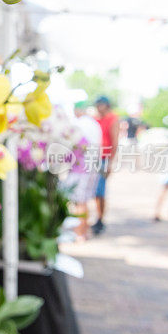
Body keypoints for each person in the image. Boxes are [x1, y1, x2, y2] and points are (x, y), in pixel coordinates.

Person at [64, 101, 102, 240]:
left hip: (80, 168)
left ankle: (79, 234)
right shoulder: (94, 124)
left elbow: (75, 145)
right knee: (85, 201)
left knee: (79, 202)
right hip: (92, 166)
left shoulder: (79, 124)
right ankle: (83, 231)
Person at [91, 96, 118, 234]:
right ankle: (98, 217)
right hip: (94, 157)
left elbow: (114, 141)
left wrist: (110, 162)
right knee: (95, 191)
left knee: (100, 190)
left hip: (104, 158)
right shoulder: (95, 119)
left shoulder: (112, 119)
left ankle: (100, 218)